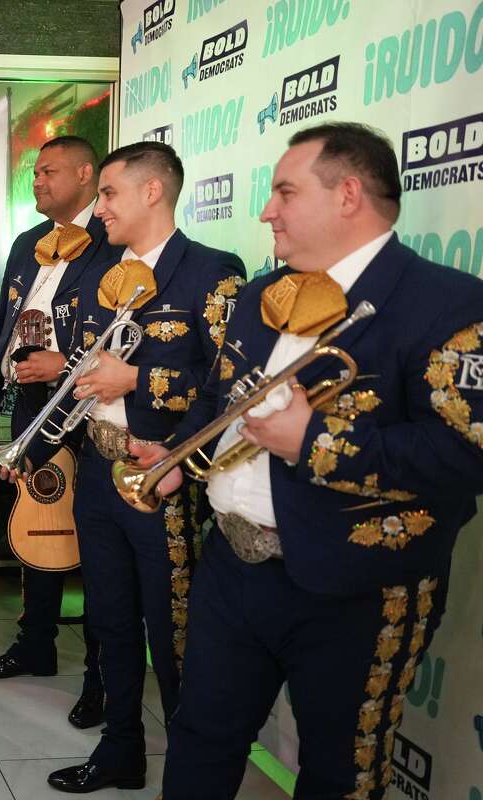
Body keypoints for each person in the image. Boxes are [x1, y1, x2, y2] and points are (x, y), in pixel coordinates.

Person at [129, 123, 483, 799]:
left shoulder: (450, 304)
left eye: (285, 192)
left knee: (338, 774)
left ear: (348, 194)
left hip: (357, 589)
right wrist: (180, 455)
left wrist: (313, 441)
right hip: (231, 570)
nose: (267, 210)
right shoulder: (264, 295)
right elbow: (219, 396)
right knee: (200, 737)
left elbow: (465, 454)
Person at [7, 141, 245, 793]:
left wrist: (137, 378)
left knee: (173, 636)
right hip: (98, 470)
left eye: (109, 193)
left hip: (162, 480)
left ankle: (192, 773)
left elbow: (230, 385)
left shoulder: (213, 274)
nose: (99, 207)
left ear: (152, 192)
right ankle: (121, 752)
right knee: (108, 621)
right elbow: (84, 373)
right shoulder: (98, 275)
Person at [0, 135, 120, 730]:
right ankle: (35, 642)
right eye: (34, 173)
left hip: (90, 404)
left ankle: (101, 678)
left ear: (86, 174)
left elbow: (119, 330)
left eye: (49, 171)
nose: (37, 181)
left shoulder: (113, 241)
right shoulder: (27, 244)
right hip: (30, 403)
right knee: (41, 517)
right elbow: (5, 325)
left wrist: (67, 365)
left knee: (98, 541)